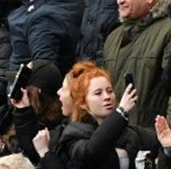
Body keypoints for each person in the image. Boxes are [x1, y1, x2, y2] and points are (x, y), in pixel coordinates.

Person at [20, 62, 149, 169]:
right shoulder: (71, 134)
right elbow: (91, 151)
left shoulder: (130, 132)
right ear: (82, 102)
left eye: (110, 91)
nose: (107, 97)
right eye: (98, 93)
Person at [103, 0, 171, 127]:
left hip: (150, 137)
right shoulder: (113, 37)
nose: (120, 0)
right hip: (116, 134)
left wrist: (167, 135)